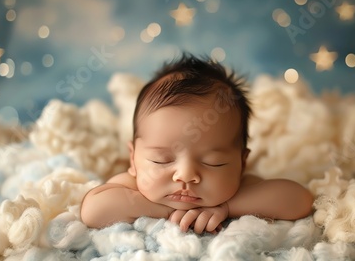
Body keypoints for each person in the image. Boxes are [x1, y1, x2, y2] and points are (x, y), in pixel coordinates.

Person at [80, 53, 313, 233]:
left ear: (241, 163)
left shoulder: (241, 189)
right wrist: (165, 211)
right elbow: (93, 211)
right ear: (133, 158)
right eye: (162, 159)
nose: (186, 175)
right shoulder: (130, 185)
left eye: (214, 162)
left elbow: (299, 200)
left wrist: (227, 207)